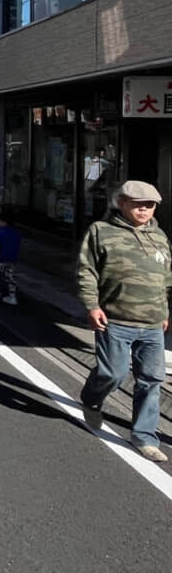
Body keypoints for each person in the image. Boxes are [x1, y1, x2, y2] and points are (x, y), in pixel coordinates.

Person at [78, 180, 171, 463]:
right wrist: (91, 305)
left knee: (152, 380)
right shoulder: (101, 231)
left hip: (153, 323)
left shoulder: (160, 237)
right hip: (115, 319)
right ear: (122, 203)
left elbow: (166, 280)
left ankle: (144, 436)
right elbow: (87, 271)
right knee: (113, 374)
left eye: (150, 205)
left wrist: (165, 312)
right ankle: (92, 400)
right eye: (138, 203)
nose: (145, 209)